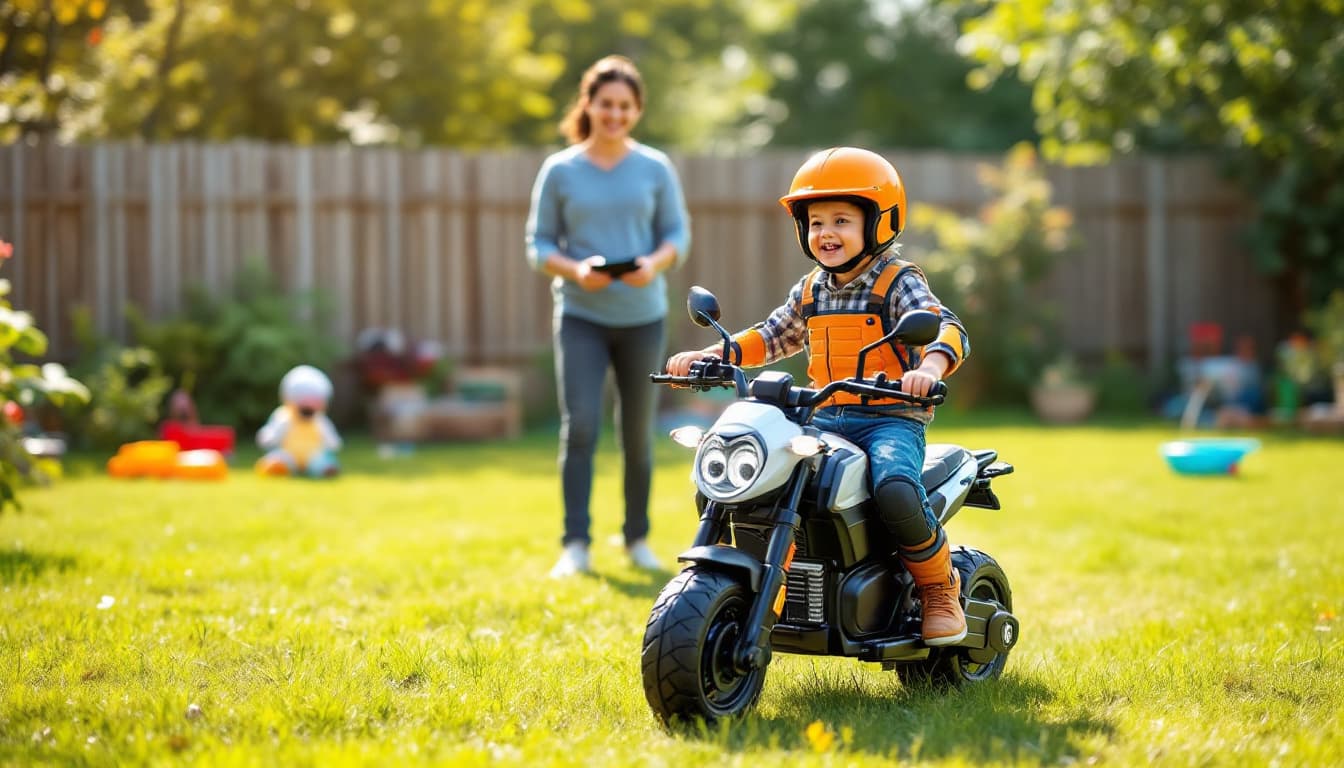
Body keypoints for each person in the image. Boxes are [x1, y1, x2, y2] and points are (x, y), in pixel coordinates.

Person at [665, 147, 971, 645]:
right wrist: (712, 354)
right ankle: (760, 578)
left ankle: (939, 589)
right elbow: (771, 336)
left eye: (842, 220)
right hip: (824, 417)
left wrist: (930, 366)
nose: (826, 233)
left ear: (879, 222)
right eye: (815, 222)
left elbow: (947, 327)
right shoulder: (811, 290)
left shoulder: (898, 280)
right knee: (747, 471)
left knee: (894, 486)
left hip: (888, 419)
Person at [525, 55, 691, 578]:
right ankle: (575, 544)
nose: (615, 114)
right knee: (581, 427)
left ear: (636, 110)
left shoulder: (655, 167)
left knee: (637, 434)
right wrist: (576, 270)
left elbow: (677, 236)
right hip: (581, 316)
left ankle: (636, 538)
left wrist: (653, 263)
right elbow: (538, 244)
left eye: (625, 106)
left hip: (643, 316)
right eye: (606, 104)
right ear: (589, 105)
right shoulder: (560, 169)